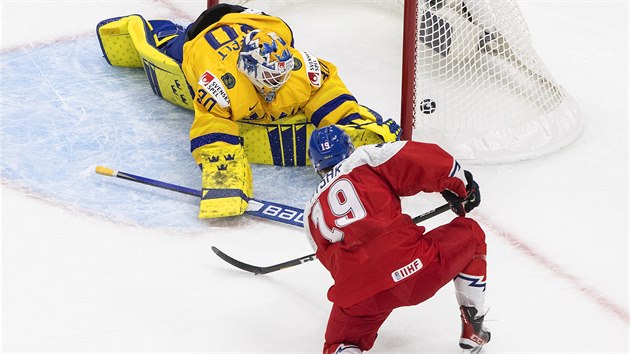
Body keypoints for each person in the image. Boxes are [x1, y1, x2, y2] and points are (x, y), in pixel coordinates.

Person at [96, 4, 401, 219]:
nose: (279, 82)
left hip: (253, 22)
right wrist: (224, 176)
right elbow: (211, 127)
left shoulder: (294, 66)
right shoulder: (220, 83)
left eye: (283, 74)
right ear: (250, 70)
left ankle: (354, 121)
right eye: (271, 78)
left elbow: (324, 86)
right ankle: (159, 29)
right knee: (175, 48)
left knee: (314, 88)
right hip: (203, 36)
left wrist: (350, 119)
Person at [304, 125, 490, 354]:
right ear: (349, 147)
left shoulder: (309, 212)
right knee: (471, 234)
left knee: (338, 344)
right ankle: (474, 327)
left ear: (316, 165)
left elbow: (331, 262)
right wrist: (462, 186)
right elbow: (420, 158)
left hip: (360, 295)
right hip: (415, 270)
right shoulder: (363, 159)